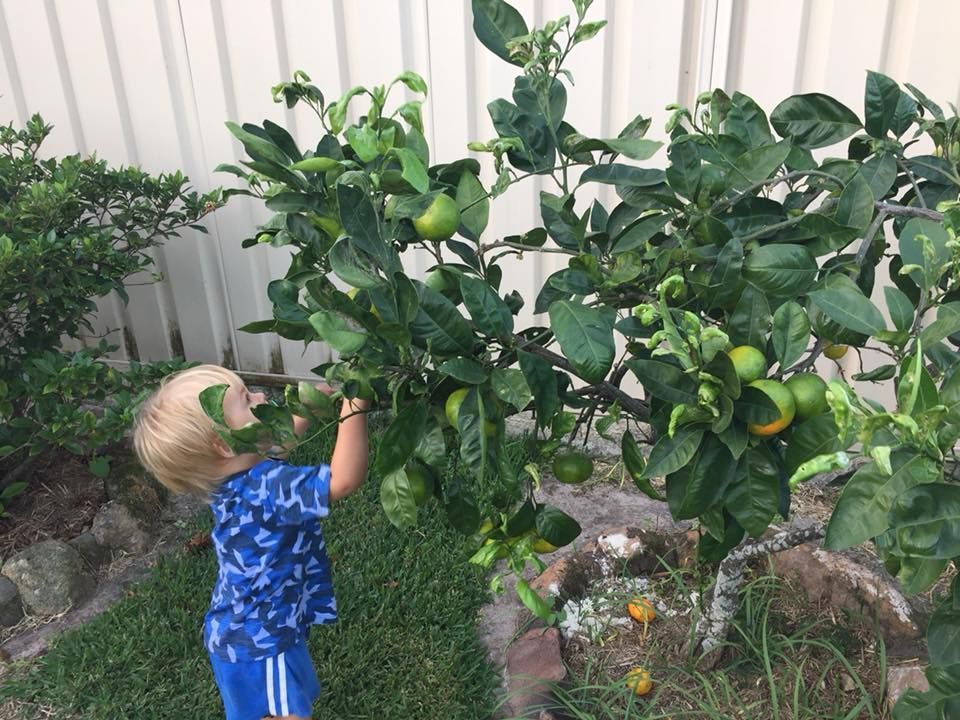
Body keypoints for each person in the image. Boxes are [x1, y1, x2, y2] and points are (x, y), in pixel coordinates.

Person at [132, 364, 369, 720]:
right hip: (259, 641)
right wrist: (356, 403)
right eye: (247, 399)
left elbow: (275, 444)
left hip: (249, 628)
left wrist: (306, 408)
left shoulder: (236, 478)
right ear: (224, 445)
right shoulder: (265, 487)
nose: (261, 396)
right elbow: (342, 481)